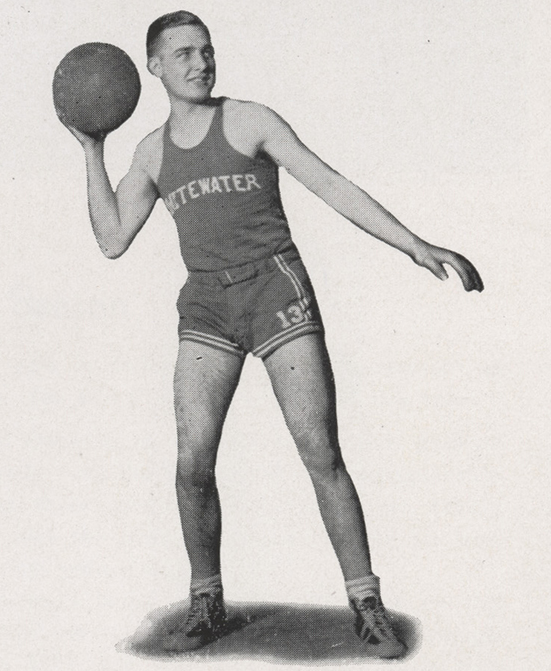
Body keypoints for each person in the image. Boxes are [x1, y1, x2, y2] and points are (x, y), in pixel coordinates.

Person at [61, 10, 483, 659]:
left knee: (320, 451)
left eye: (206, 50)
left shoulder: (250, 120)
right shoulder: (150, 150)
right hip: (207, 302)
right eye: (184, 55)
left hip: (274, 288)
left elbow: (329, 183)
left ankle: (367, 605)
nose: (201, 63)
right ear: (154, 68)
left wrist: (415, 245)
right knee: (191, 463)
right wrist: (91, 149)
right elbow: (112, 237)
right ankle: (208, 600)